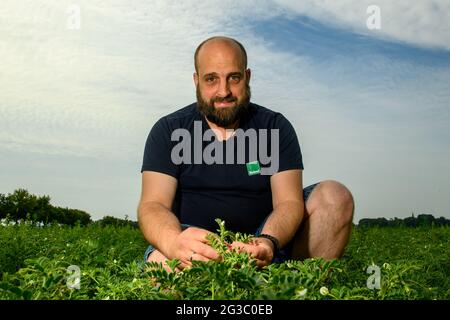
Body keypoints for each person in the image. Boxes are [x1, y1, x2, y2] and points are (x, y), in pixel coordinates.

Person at [138, 36, 354, 272]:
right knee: (161, 263)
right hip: (192, 245)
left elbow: (289, 202)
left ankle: (297, 287)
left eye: (234, 78)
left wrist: (267, 241)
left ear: (247, 77)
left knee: (335, 196)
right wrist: (173, 242)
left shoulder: (274, 127)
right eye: (211, 79)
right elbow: (153, 204)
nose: (224, 91)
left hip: (264, 245)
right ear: (196, 80)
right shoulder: (169, 130)